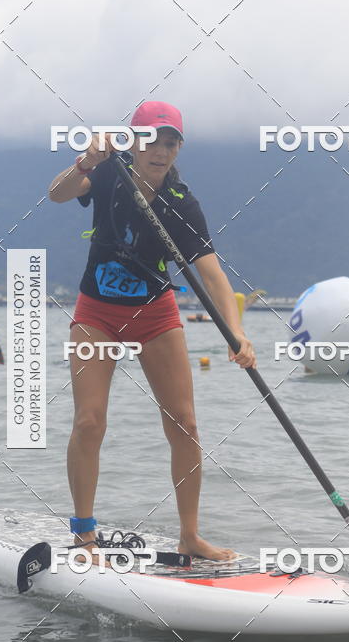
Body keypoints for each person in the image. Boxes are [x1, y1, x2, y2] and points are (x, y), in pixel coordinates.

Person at [49, 100, 256, 562]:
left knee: (185, 423)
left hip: (155, 314)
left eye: (171, 142)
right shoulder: (109, 172)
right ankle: (84, 534)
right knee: (89, 421)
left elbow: (212, 273)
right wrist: (85, 162)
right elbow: (57, 194)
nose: (160, 151)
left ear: (179, 148)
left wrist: (237, 331)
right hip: (97, 314)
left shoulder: (182, 204)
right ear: (133, 141)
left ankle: (190, 536)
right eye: (151, 140)